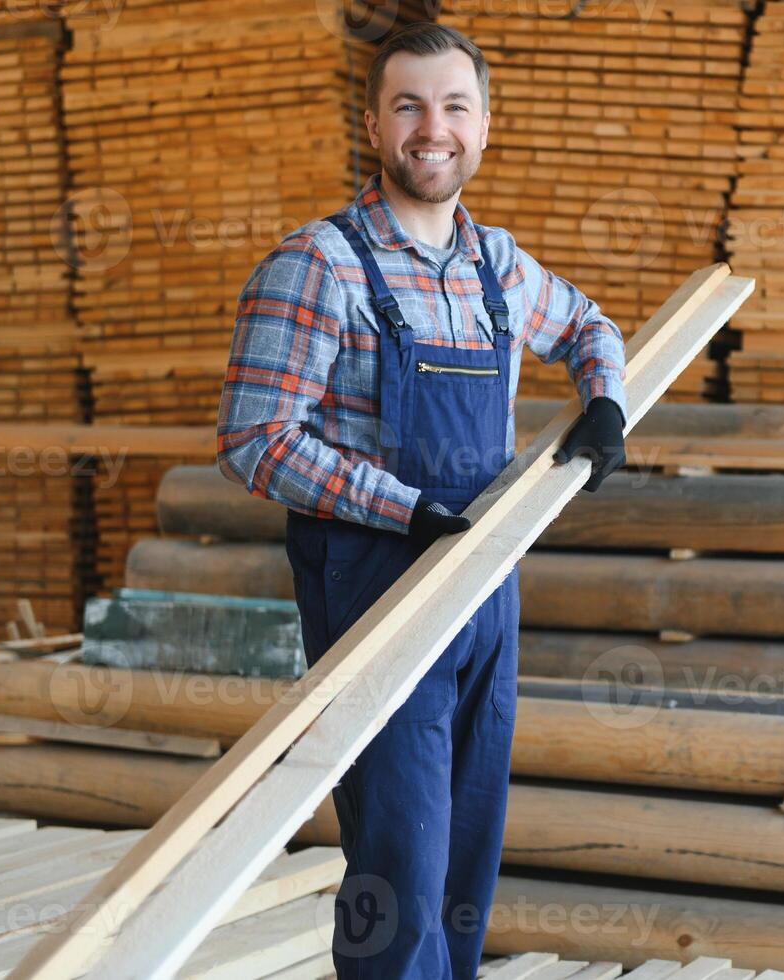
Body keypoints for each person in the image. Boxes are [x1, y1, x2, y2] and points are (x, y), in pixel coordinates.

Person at [215, 22, 627, 979]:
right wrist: (400, 508)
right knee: (398, 866)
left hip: (483, 583)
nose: (430, 128)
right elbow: (252, 441)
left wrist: (603, 399)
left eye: (452, 106)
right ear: (373, 123)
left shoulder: (498, 267)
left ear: (483, 128)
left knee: (466, 856)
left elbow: (589, 324)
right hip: (377, 586)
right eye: (407, 105)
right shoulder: (319, 264)